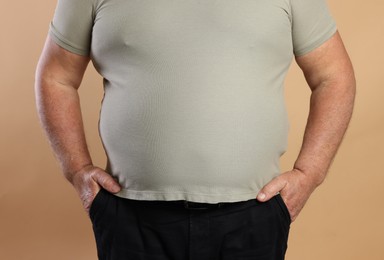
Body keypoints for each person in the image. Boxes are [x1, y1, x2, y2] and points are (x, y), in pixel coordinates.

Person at [34, 0, 355, 259]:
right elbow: (56, 76)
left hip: (252, 216)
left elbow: (333, 77)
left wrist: (309, 173)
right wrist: (77, 170)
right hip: (130, 217)